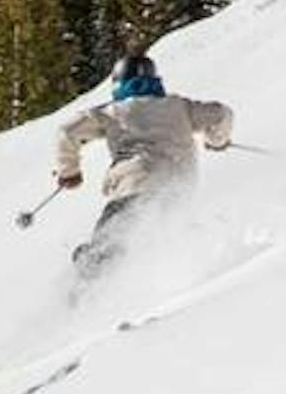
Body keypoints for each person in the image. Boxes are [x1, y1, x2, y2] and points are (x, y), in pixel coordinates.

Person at [53, 49, 235, 276]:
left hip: (132, 192)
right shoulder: (180, 106)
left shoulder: (112, 112)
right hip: (176, 193)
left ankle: (89, 299)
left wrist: (69, 172)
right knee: (161, 249)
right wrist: (217, 140)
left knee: (102, 256)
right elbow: (222, 114)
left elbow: (66, 131)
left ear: (118, 84)